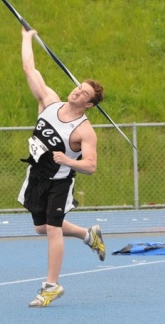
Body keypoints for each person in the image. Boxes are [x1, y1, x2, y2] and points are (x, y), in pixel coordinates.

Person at [18, 27, 105, 308]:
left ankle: (51, 286)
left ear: (89, 104)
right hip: (36, 175)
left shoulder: (84, 131)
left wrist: (67, 160)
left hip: (59, 180)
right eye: (79, 87)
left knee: (53, 230)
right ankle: (87, 234)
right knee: (41, 227)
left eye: (84, 94)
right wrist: (26, 38)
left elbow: (90, 166)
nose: (77, 92)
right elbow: (29, 68)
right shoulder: (49, 101)